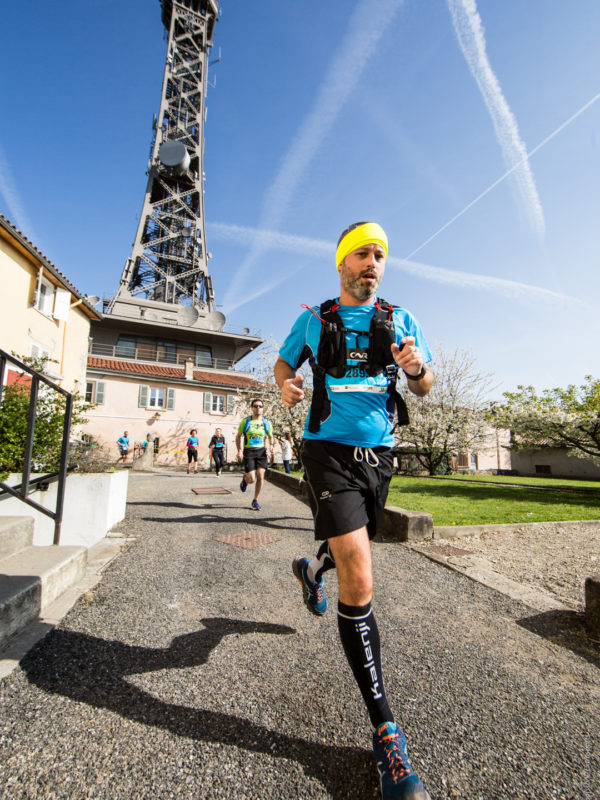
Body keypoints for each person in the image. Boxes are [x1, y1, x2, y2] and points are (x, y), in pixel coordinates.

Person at [275, 222, 434, 800]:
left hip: (379, 456)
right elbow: (282, 366)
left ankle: (313, 570)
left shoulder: (403, 319)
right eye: (364, 253)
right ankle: (387, 733)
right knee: (362, 576)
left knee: (349, 554)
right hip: (326, 453)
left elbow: (423, 387)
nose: (374, 262)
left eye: (382, 255)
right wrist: (289, 385)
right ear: (342, 263)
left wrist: (415, 369)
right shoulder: (314, 320)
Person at [235, 399, 274, 511]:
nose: (258, 408)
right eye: (256, 406)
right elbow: (238, 436)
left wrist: (271, 445)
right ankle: (245, 479)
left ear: (262, 408)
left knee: (261, 476)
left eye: (260, 406)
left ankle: (255, 500)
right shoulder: (246, 421)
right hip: (249, 451)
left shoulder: (266, 422)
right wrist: (239, 450)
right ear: (251, 408)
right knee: (251, 479)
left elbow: (271, 436)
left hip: (261, 451)